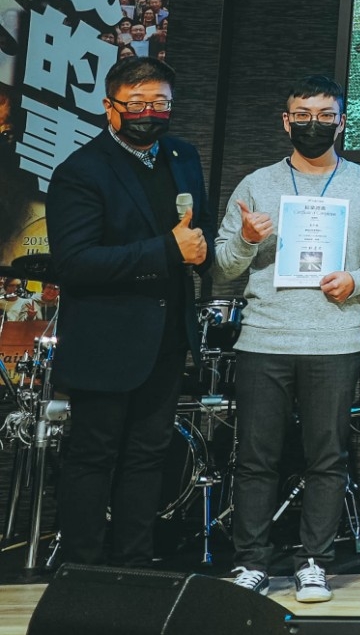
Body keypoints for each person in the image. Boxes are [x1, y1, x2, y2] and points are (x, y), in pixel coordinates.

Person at [217, 75, 360, 601]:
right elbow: (224, 264)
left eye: (324, 115)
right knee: (256, 459)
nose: (313, 124)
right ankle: (251, 562)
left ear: (341, 122)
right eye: (302, 115)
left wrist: (356, 281)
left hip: (334, 340)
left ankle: (314, 562)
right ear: (286, 121)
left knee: (327, 459)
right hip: (265, 339)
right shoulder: (257, 184)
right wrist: (247, 240)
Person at [46, 56, 212, 567]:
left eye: (160, 103)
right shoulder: (81, 171)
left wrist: (205, 251)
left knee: (148, 456)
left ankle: (136, 568)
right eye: (137, 103)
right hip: (105, 340)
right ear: (110, 107)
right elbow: (75, 263)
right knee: (93, 458)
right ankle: (81, 570)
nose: (149, 113)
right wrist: (168, 249)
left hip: (167, 336)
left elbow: (196, 234)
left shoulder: (183, 156)